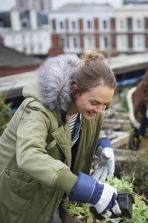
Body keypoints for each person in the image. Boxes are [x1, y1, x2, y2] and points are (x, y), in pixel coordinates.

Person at [0, 51, 121, 222]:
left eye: (105, 104)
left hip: (52, 191)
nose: (100, 110)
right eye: (95, 103)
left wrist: (103, 144)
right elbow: (29, 155)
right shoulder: (37, 109)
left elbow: (75, 130)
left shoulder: (84, 108)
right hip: (21, 197)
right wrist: (87, 189)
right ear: (75, 91)